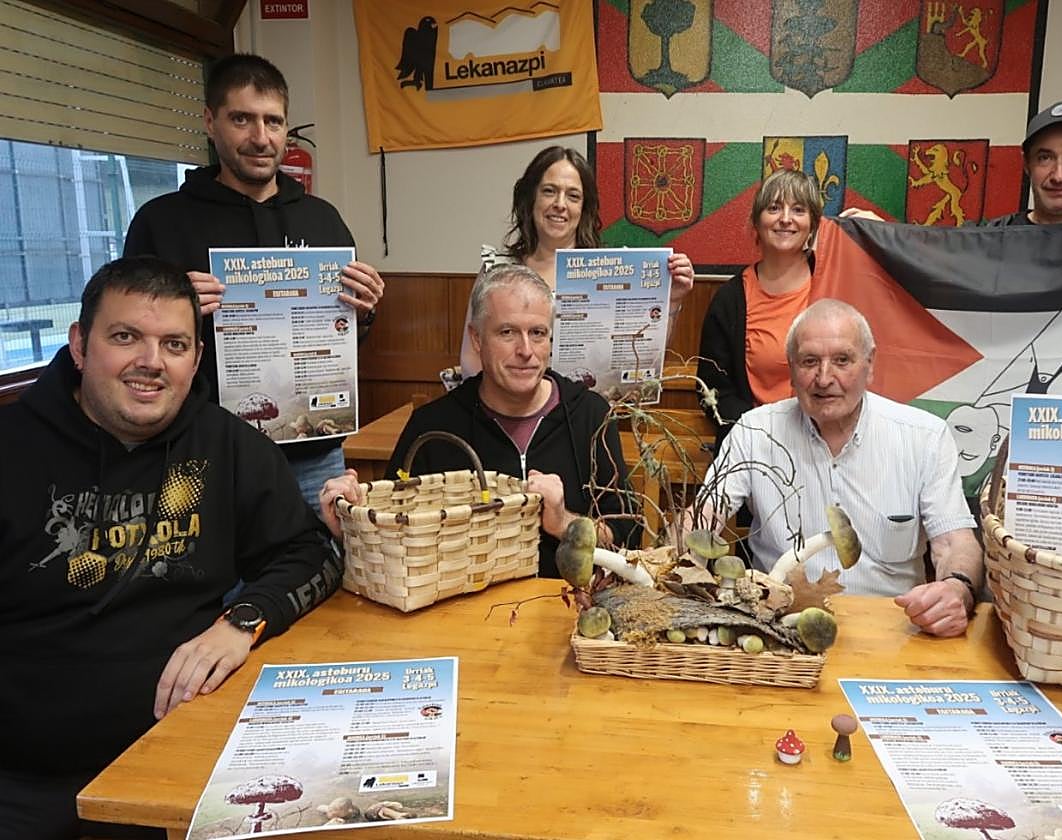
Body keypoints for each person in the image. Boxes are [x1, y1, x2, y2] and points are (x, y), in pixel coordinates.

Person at [0, 257, 343, 839]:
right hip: (23, 779)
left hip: (182, 758)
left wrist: (243, 620)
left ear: (197, 360)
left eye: (174, 344)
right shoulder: (12, 449)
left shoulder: (227, 444)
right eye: (125, 336)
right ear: (80, 346)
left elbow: (309, 555)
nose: (151, 363)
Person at [123, 53, 387, 509]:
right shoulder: (161, 221)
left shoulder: (323, 221)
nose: (260, 138)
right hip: (200, 455)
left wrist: (363, 311)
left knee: (322, 569)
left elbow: (347, 335)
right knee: (215, 580)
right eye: (242, 119)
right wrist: (176, 308)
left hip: (314, 454)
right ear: (210, 121)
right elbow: (127, 334)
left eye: (273, 121)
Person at [689, 299, 982, 638]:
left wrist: (957, 589)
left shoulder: (925, 437)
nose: (824, 378)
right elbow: (701, 521)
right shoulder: (754, 431)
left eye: (842, 360)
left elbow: (955, 544)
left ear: (870, 365)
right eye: (809, 361)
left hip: (891, 633)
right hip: (777, 632)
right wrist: (667, 563)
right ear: (791, 369)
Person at [325, 264, 634, 578]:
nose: (526, 350)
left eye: (537, 333)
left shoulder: (590, 415)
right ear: (476, 338)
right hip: (461, 612)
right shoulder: (433, 427)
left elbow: (626, 538)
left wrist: (564, 523)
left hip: (570, 609)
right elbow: (396, 541)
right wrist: (349, 528)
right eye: (507, 332)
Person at [458, 145, 695, 377]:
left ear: (584, 207)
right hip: (508, 410)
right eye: (549, 191)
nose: (560, 204)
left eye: (573, 196)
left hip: (590, 411)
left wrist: (671, 300)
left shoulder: (615, 269)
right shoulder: (496, 270)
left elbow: (642, 355)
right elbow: (471, 359)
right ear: (531, 198)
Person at [696, 168, 825, 446]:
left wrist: (874, 227)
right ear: (757, 222)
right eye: (774, 208)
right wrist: (760, 433)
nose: (786, 219)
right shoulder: (730, 300)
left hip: (826, 444)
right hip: (753, 446)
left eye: (799, 209)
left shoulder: (836, 283)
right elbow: (712, 391)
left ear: (813, 225)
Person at [842, 101, 1062, 227]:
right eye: (1045, 157)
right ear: (1026, 164)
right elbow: (932, 252)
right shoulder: (993, 239)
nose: (1059, 174)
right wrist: (880, 233)